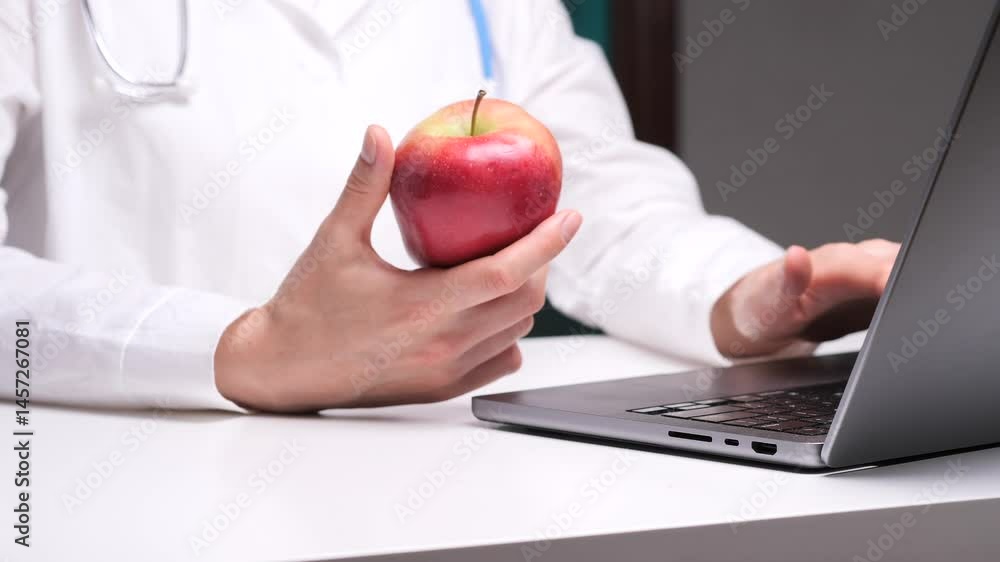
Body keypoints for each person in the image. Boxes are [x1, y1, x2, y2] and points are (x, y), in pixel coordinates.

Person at [0, 0, 898, 413]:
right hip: (119, 486)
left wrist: (744, 296)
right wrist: (242, 351)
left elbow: (603, 200)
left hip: (426, 479)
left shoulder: (496, 9)